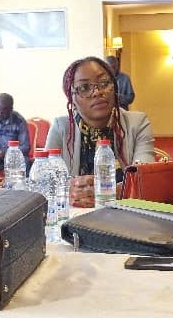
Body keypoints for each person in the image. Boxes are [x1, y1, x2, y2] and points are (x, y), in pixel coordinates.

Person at [46, 56, 155, 207]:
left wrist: (107, 192)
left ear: (114, 88)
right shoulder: (61, 127)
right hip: (76, 214)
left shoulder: (137, 123)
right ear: (72, 100)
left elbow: (145, 178)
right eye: (84, 88)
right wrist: (68, 190)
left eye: (104, 83)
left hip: (126, 214)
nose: (97, 92)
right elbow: (44, 181)